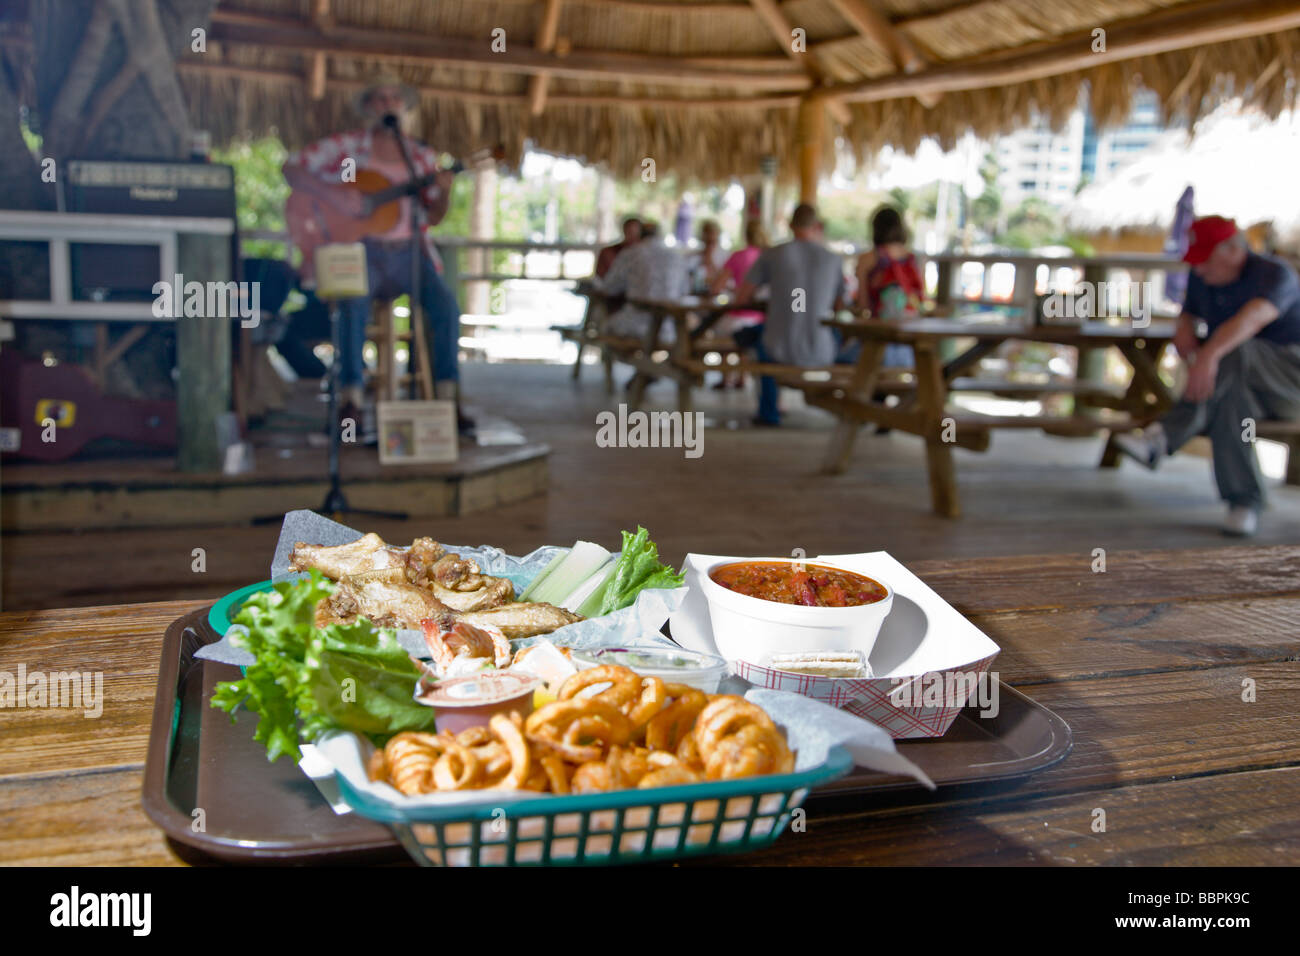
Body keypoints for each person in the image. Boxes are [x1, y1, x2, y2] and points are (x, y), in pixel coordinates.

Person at [281, 74, 470, 433]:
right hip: (360, 250)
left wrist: (444, 191)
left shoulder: (422, 156)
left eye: (393, 99)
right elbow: (292, 168)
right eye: (379, 98)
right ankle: (350, 401)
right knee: (352, 305)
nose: (387, 105)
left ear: (403, 108)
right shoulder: (347, 146)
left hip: (411, 252)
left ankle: (449, 401)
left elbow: (433, 215)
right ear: (368, 109)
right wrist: (334, 195)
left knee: (446, 306)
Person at [1112, 215, 1300, 536]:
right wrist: (1183, 328)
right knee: (1230, 401)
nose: (1198, 270)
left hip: (1290, 385)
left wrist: (1209, 355)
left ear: (1233, 250)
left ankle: (1165, 435)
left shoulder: (1274, 274)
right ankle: (1244, 502)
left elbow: (1250, 321)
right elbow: (1188, 313)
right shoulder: (1204, 278)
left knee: (1234, 350)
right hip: (1248, 390)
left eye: (1205, 261)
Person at [734, 204, 848, 426]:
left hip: (778, 347)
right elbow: (840, 307)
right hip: (823, 348)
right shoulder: (832, 259)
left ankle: (769, 412)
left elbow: (742, 297)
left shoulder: (773, 254)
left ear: (790, 225)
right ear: (818, 226)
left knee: (756, 337)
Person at [596, 220, 689, 345]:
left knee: (603, 323)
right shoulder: (677, 255)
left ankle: (607, 360)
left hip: (635, 327)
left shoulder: (631, 253)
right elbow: (685, 290)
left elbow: (609, 287)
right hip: (669, 329)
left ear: (640, 235)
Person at [855, 205, 923, 367]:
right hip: (910, 342)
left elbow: (863, 305)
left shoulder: (867, 259)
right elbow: (920, 300)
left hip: (877, 341)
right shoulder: (915, 260)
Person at [709, 219, 769, 389]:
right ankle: (742, 376)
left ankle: (726, 376)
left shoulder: (739, 256)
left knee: (721, 330)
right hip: (761, 319)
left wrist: (733, 289)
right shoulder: (767, 257)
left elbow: (716, 287)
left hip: (740, 317)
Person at [687, 219, 727, 294]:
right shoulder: (694, 257)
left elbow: (725, 281)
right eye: (708, 241)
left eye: (713, 241)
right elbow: (689, 278)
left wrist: (711, 263)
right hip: (697, 293)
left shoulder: (725, 256)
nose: (710, 246)